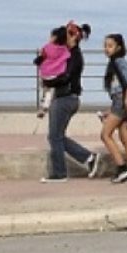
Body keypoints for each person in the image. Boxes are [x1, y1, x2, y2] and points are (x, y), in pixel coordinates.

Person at [40, 21, 101, 183]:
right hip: (66, 98)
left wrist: (49, 82)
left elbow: (65, 77)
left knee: (54, 137)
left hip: (65, 98)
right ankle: (89, 158)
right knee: (57, 136)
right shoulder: (68, 54)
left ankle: (59, 173)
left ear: (74, 36)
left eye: (66, 34)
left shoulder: (73, 56)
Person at [100, 33, 127, 183]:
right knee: (125, 137)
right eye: (105, 46)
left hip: (122, 102)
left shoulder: (119, 61)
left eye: (110, 46)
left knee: (105, 134)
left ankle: (122, 168)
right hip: (121, 102)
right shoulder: (114, 62)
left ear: (119, 47)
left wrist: (126, 101)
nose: (106, 49)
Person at [33, 25, 70, 115]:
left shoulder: (47, 47)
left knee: (46, 88)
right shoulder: (64, 49)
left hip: (46, 75)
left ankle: (45, 101)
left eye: (51, 36)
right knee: (52, 88)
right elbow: (68, 57)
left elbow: (42, 56)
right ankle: (47, 101)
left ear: (54, 37)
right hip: (57, 75)